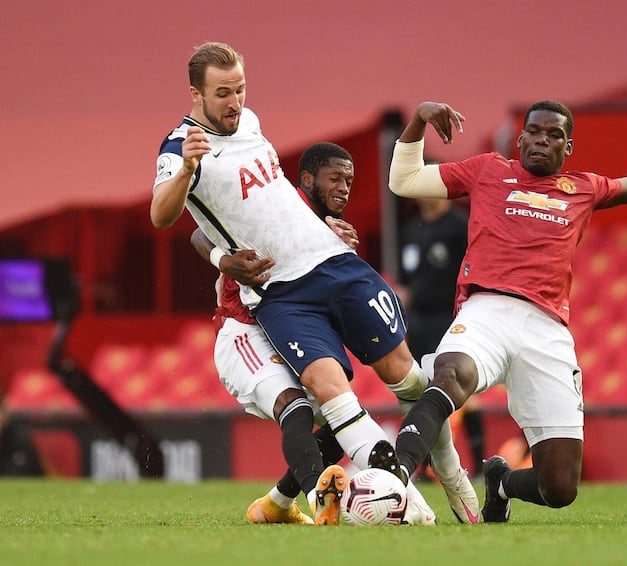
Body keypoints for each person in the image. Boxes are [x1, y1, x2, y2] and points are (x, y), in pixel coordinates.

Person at [150, 43, 478, 525]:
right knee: (326, 388)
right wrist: (187, 171)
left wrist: (323, 223)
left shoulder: (251, 122)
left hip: (333, 263)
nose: (234, 102)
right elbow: (162, 215)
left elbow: (271, 202)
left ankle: (453, 477)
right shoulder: (180, 147)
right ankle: (407, 509)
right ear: (195, 93)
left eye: (240, 89)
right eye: (222, 93)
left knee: (405, 375)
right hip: (281, 292)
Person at [369, 100, 627, 522]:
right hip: (486, 309)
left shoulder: (584, 188)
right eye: (535, 132)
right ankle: (394, 478)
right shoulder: (489, 170)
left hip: (547, 329)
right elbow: (404, 180)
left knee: (560, 487)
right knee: (452, 374)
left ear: (569, 147)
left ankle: (502, 484)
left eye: (554, 135)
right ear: (521, 137)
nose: (542, 140)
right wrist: (418, 120)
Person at [191, 142, 434, 526]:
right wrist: (223, 260)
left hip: (292, 330)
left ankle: (276, 504)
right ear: (305, 181)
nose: (343, 188)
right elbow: (198, 233)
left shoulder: (325, 229)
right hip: (245, 331)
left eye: (349, 180)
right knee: (297, 408)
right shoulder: (280, 207)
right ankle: (317, 498)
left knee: (344, 420)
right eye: (334, 178)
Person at [397, 197, 485, 478]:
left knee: (461, 390)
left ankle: (479, 462)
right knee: (423, 388)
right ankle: (424, 465)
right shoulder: (411, 229)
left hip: (451, 318)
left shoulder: (459, 224)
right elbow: (406, 281)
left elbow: (474, 269)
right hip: (420, 320)